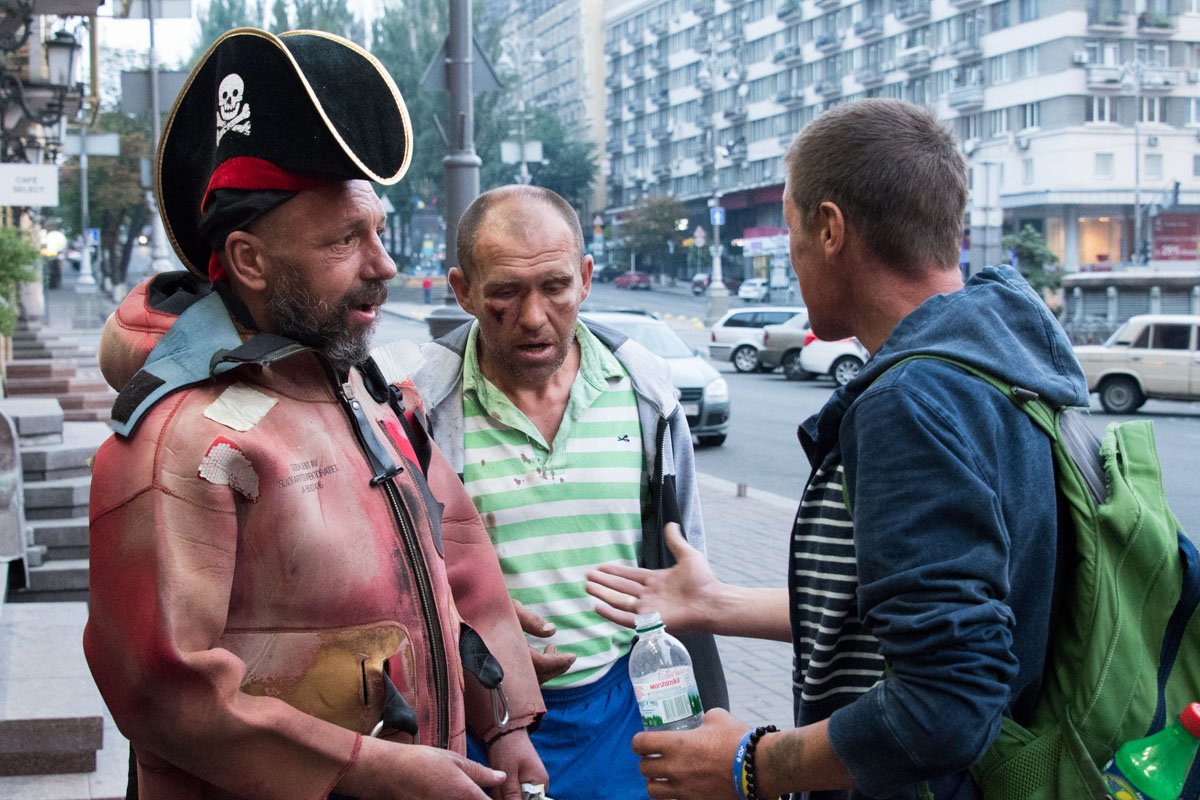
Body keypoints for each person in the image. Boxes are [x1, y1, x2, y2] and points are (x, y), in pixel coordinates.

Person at [83, 29, 546, 800]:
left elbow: (458, 559)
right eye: (345, 240)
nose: (385, 264)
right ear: (251, 260)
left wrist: (508, 723)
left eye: (379, 231)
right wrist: (366, 771)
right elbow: (162, 690)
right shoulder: (180, 437)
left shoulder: (366, 389)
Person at [586, 98, 1089, 799]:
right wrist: (718, 602)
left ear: (829, 229)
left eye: (793, 231)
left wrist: (752, 764)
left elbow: (947, 702)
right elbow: (943, 607)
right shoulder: (1008, 366)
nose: (792, 258)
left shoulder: (910, 404)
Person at [374, 184, 728, 800]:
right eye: (506, 293)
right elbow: (387, 580)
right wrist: (472, 638)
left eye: (556, 288)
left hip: (625, 709)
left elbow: (684, 561)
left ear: (586, 279)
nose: (535, 317)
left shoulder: (646, 391)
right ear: (462, 291)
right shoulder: (415, 407)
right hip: (481, 716)